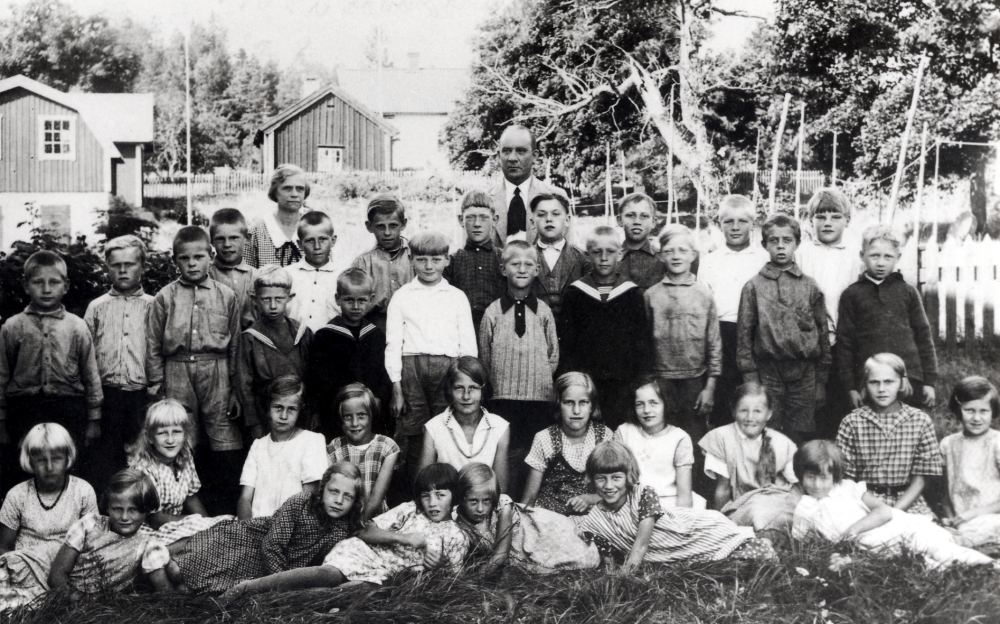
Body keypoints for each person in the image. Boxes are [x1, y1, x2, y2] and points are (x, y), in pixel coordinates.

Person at [222, 463, 470, 594]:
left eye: (440, 495)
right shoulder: (411, 509)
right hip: (364, 555)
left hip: (385, 579)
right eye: (426, 495)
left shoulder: (457, 536)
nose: (432, 502)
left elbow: (452, 581)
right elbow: (364, 530)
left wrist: (436, 567)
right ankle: (249, 587)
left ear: (454, 497)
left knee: (343, 594)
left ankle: (271, 598)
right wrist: (404, 538)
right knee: (328, 575)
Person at [147, 462, 365, 595]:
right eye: (334, 491)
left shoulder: (342, 529)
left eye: (347, 496)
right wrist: (280, 581)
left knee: (189, 591)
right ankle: (154, 564)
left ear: (355, 501)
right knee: (177, 570)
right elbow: (272, 544)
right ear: (323, 489)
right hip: (250, 540)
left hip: (265, 569)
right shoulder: (302, 502)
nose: (338, 500)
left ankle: (171, 597)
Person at [146, 226, 242, 514]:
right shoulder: (165, 297)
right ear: (175, 260)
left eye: (198, 257)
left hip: (217, 369)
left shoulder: (226, 295)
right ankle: (188, 507)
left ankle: (223, 509)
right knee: (184, 436)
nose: (192, 264)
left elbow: (235, 343)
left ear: (210, 257)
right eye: (184, 258)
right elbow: (152, 341)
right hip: (177, 370)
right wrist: (155, 385)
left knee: (222, 435)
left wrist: (236, 387)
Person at [791, 440, 993, 569]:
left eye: (824, 477)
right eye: (810, 477)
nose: (817, 485)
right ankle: (976, 565)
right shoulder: (804, 508)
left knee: (940, 550)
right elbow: (801, 545)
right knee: (929, 565)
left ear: (834, 476)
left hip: (902, 531)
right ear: (801, 475)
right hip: (882, 551)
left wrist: (853, 530)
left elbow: (885, 512)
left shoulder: (847, 488)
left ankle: (991, 566)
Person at [575, 442, 773, 572]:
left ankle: (764, 540)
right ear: (592, 480)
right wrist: (612, 578)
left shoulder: (643, 494)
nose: (609, 486)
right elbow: (608, 560)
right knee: (722, 568)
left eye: (616, 477)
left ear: (628, 476)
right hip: (660, 557)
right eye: (601, 479)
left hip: (688, 532)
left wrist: (625, 575)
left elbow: (642, 543)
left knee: (759, 559)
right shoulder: (594, 521)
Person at [0, 250, 102, 494]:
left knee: (68, 463)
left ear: (65, 286)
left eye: (54, 282)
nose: (46, 289)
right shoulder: (12, 327)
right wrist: (2, 422)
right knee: (24, 467)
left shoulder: (77, 327)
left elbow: (91, 375)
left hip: (68, 408)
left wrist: (93, 419)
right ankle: (25, 519)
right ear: (26, 285)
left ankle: (69, 517)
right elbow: (2, 376)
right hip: (24, 409)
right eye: (38, 282)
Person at [385, 231, 478, 484]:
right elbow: (393, 342)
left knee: (446, 426)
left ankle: (447, 487)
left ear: (447, 260)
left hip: (448, 369)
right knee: (415, 430)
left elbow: (468, 343)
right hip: (411, 368)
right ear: (411, 260)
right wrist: (397, 387)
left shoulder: (456, 297)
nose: (429, 266)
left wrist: (466, 376)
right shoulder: (403, 295)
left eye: (436, 260)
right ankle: (417, 491)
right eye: (422, 259)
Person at [737, 213, 829, 445]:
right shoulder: (753, 287)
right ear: (764, 245)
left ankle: (796, 479)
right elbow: (744, 335)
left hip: (804, 371)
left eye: (787, 240)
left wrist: (821, 380)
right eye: (774, 240)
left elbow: (822, 332)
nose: (780, 246)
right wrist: (751, 379)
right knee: (768, 431)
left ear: (797, 243)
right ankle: (769, 479)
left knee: (800, 432)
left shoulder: (809, 285)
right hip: (768, 370)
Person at [479, 240, 558, 493]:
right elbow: (484, 355)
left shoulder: (544, 312)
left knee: (536, 455)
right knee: (507, 455)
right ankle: (505, 502)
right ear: (503, 269)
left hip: (539, 399)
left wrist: (540, 381)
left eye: (528, 264)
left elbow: (553, 354)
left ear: (537, 270)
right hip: (503, 398)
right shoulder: (492, 312)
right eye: (515, 264)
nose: (522, 269)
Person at [644, 224, 721, 473]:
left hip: (694, 383)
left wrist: (710, 387)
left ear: (693, 255)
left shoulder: (704, 293)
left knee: (694, 440)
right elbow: (643, 344)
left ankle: (696, 495)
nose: (676, 256)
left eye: (682, 250)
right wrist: (650, 382)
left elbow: (714, 342)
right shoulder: (651, 295)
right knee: (659, 440)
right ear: (661, 255)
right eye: (669, 251)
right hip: (661, 381)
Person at [836, 224, 937, 411]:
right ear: (862, 255)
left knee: (907, 430)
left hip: (908, 378)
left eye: (888, 256)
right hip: (871, 381)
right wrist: (851, 386)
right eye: (874, 256)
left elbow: (923, 336)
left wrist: (929, 381)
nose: (881, 263)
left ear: (897, 258)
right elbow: (845, 343)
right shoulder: (851, 295)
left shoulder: (908, 292)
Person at [560, 226, 648, 429]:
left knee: (619, 429)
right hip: (586, 380)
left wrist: (638, 380)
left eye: (610, 252)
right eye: (597, 252)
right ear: (588, 254)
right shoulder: (576, 294)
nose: (604, 258)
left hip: (623, 381)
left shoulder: (632, 294)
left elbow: (641, 342)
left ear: (620, 253)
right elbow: (568, 342)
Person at [0, 425, 96, 610]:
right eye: (41, 460)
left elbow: (92, 542)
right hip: (25, 569)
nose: (50, 467)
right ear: (30, 461)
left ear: (68, 457)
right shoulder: (17, 495)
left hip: (66, 571)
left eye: (57, 459)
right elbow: (4, 547)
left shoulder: (83, 491)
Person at [84, 235, 155, 488]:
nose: (123, 270)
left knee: (141, 458)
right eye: (116, 265)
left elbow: (159, 349)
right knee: (106, 458)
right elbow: (87, 355)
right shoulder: (97, 307)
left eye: (130, 264)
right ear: (107, 267)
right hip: (107, 397)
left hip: (141, 396)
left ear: (143, 267)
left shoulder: (154, 306)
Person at [836, 353, 942, 516]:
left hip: (908, 502)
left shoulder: (920, 420)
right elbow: (846, 478)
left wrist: (894, 513)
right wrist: (877, 513)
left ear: (901, 383)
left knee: (923, 537)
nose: (882, 389)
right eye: (874, 382)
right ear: (865, 384)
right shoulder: (852, 422)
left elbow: (921, 477)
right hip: (864, 501)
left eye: (889, 382)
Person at [797, 189, 863, 439]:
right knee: (813, 405)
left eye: (835, 216)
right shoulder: (801, 254)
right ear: (810, 220)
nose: (827, 222)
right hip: (810, 343)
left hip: (846, 342)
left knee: (843, 403)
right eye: (820, 216)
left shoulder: (856, 256)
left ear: (847, 220)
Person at [698, 195, 769, 427]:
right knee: (724, 402)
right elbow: (704, 306)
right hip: (722, 335)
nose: (735, 227)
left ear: (753, 223)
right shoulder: (710, 261)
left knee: (754, 398)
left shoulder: (764, 258)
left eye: (742, 221)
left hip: (756, 335)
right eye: (728, 221)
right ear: (719, 225)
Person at [698, 383, 799, 544]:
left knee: (778, 509)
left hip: (778, 502)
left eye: (757, 411)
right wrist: (719, 527)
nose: (750, 417)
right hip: (742, 506)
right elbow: (722, 489)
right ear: (734, 412)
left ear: (769, 414)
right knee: (757, 511)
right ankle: (763, 543)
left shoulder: (781, 442)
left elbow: (793, 487)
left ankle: (768, 541)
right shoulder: (721, 438)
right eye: (744, 410)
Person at [455, 463, 599, 575]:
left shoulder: (502, 507)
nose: (480, 508)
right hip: (519, 549)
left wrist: (475, 579)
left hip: (539, 529)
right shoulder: (459, 521)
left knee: (575, 555)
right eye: (473, 501)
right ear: (461, 499)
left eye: (486, 501)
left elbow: (500, 554)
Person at [44, 470, 160, 603]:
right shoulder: (89, 525)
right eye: (117, 509)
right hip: (68, 596)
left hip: (104, 608)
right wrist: (79, 601)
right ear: (108, 506)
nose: (124, 517)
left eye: (133, 510)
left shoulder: (146, 545)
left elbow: (161, 592)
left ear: (146, 509)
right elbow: (56, 575)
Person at [129, 400, 231, 546]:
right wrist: (194, 522)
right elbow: (154, 519)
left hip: (177, 525)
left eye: (176, 432)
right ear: (150, 437)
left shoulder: (185, 458)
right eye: (162, 433)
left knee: (225, 524)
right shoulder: (145, 469)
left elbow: (191, 497)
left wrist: (207, 523)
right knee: (197, 534)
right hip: (153, 530)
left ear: (185, 434)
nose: (170, 440)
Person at [308, 269, 392, 440]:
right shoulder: (325, 336)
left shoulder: (375, 335)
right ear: (337, 299)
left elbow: (383, 373)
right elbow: (317, 379)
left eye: (362, 301)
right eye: (349, 300)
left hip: (369, 411)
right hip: (336, 412)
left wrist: (378, 398)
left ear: (371, 299)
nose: (355, 307)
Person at [237, 375, 328, 519]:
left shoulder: (312, 441)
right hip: (256, 526)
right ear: (267, 408)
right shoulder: (258, 446)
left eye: (291, 409)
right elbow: (245, 499)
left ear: (300, 411)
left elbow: (309, 497)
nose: (284, 415)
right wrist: (245, 531)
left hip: (294, 526)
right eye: (278, 407)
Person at [521, 372, 611, 517]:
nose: (576, 410)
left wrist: (590, 499)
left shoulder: (605, 436)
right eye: (568, 402)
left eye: (583, 402)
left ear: (592, 406)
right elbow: (528, 499)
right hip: (552, 519)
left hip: (594, 517)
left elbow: (617, 489)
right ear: (558, 404)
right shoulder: (544, 438)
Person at [236, 266, 311, 438]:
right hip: (265, 412)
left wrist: (313, 412)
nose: (273, 305)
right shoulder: (250, 337)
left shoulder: (303, 333)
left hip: (299, 409)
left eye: (279, 299)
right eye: (266, 299)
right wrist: (254, 422)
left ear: (289, 298)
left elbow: (312, 377)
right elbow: (244, 384)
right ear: (255, 299)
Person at [418, 357, 510, 493]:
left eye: (473, 388)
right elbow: (423, 485)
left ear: (483, 390)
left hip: (483, 507)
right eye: (459, 388)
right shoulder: (434, 427)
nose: (466, 396)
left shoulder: (500, 427)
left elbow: (501, 489)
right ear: (450, 390)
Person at [614, 377, 705, 509]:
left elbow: (684, 496)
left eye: (653, 403)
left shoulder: (679, 438)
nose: (646, 410)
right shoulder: (624, 432)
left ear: (666, 404)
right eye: (640, 404)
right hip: (631, 504)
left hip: (669, 504)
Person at [940, 377, 1000, 547]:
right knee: (948, 534)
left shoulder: (996, 443)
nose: (976, 418)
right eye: (969, 410)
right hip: (962, 520)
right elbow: (946, 494)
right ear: (958, 410)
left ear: (993, 411)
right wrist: (951, 518)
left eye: (984, 411)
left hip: (991, 516)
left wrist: (974, 514)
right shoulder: (948, 444)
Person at [326, 384, 399, 520]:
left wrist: (359, 524)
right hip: (341, 519)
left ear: (372, 415)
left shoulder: (387, 447)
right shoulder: (334, 448)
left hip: (375, 519)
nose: (354, 423)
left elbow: (376, 499)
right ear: (340, 418)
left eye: (361, 415)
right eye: (347, 417)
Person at [444, 189, 507, 335]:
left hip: (498, 331)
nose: (477, 224)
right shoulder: (452, 261)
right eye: (470, 217)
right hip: (462, 331)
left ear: (495, 220)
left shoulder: (504, 258)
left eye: (484, 218)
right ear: (461, 220)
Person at [490, 125, 565, 246]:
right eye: (506, 151)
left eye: (520, 151)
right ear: (498, 156)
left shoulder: (555, 197)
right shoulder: (484, 201)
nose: (512, 158)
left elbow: (568, 257)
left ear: (534, 156)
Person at [351, 194, 414, 332]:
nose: (387, 232)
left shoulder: (416, 256)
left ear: (403, 224)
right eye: (380, 226)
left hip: (412, 326)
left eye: (393, 226)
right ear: (369, 227)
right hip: (375, 327)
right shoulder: (362, 263)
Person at [530, 193, 587, 332]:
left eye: (556, 214)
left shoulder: (583, 259)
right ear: (532, 222)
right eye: (542, 214)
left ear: (567, 220)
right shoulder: (524, 258)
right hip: (535, 335)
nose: (549, 219)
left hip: (573, 337)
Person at [286, 211, 340, 335]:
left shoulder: (343, 276)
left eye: (323, 239)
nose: (317, 246)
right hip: (294, 346)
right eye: (310, 241)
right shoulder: (287, 275)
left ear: (333, 240)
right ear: (300, 244)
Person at [247, 164, 306, 267]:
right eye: (287, 188)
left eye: (300, 189)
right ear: (275, 192)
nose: (294, 194)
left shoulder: (314, 227)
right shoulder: (256, 231)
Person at [209, 208, 258, 330]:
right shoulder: (205, 275)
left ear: (247, 238)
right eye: (220, 239)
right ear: (211, 241)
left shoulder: (257, 277)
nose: (227, 244)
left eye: (234, 238)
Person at [616, 193, 666, 291]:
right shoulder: (610, 260)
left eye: (644, 216)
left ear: (653, 222)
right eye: (630, 215)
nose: (637, 221)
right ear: (620, 220)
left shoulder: (663, 260)